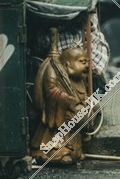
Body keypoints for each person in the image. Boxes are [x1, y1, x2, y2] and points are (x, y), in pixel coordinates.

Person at [30, 32, 90, 164]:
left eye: (87, 62)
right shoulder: (54, 70)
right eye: (82, 62)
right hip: (60, 113)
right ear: (67, 65)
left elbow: (83, 96)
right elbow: (51, 91)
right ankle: (59, 154)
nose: (87, 66)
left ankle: (76, 152)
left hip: (73, 116)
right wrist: (66, 99)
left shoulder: (79, 80)